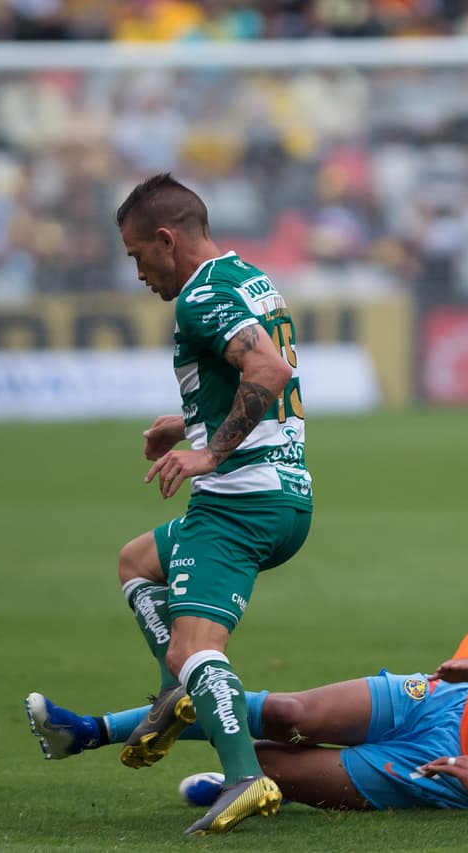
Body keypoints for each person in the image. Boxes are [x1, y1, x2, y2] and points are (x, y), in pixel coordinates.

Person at [27, 172, 312, 836]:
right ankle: (176, 696)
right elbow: (262, 377)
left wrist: (208, 454)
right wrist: (188, 427)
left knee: (193, 648)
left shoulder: (198, 298)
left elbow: (269, 372)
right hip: (281, 491)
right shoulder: (249, 277)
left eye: (136, 255)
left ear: (166, 238)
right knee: (137, 561)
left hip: (238, 501)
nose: (137, 271)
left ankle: (244, 775)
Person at [26, 558, 468, 817]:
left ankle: (238, 773)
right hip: (450, 698)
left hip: (446, 770)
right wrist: (464, 659)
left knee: (272, 762)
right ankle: (84, 730)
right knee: (288, 708)